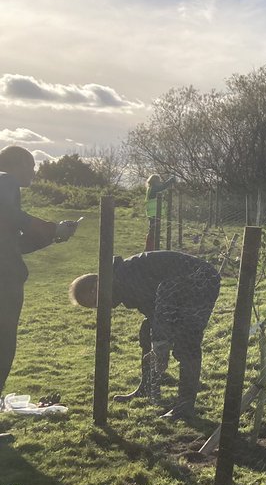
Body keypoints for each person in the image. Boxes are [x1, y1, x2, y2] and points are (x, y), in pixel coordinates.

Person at [69, 250, 219, 418]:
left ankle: (185, 405)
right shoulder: (120, 281)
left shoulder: (127, 276)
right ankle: (146, 388)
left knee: (187, 340)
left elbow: (163, 307)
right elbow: (156, 311)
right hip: (178, 289)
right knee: (148, 331)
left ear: (96, 287)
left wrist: (161, 345)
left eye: (96, 302)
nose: (102, 308)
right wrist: (158, 341)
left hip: (200, 281)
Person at [1, 146, 79, 423]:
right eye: (31, 165)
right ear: (19, 163)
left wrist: (53, 236)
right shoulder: (5, 181)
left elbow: (14, 244)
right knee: (4, 341)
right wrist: (49, 228)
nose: (34, 171)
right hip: (5, 281)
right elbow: (10, 215)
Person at [143, 173, 176, 252]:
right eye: (158, 181)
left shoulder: (151, 188)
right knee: (153, 232)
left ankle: (150, 248)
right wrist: (171, 180)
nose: (159, 182)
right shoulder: (154, 188)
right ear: (155, 181)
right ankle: (150, 249)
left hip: (153, 213)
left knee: (153, 231)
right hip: (154, 213)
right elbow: (163, 187)